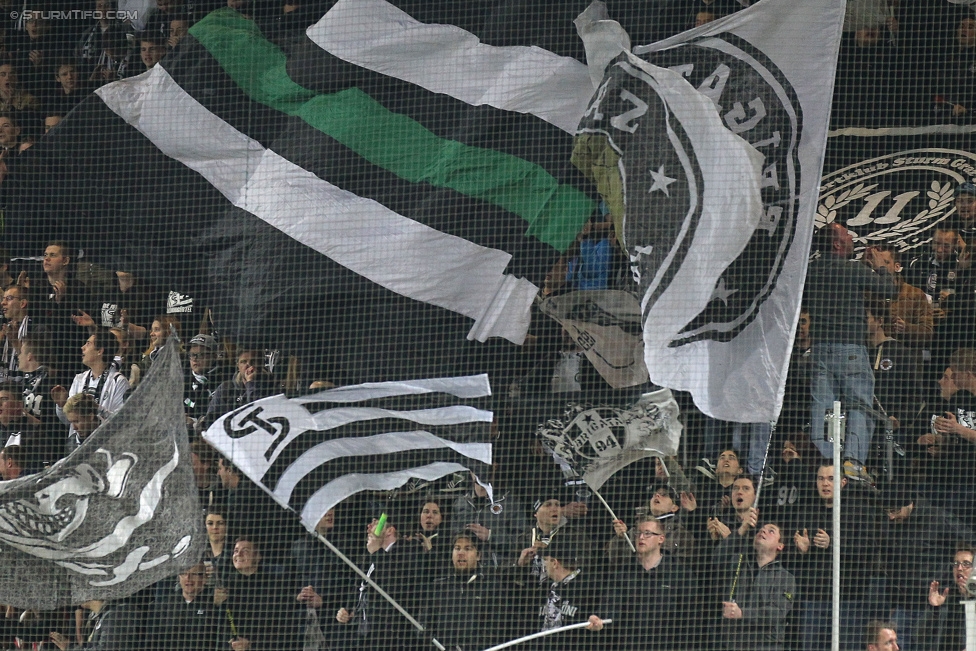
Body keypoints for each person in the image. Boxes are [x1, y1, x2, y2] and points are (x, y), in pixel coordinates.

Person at [806, 223, 897, 483]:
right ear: (836, 244)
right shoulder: (852, 269)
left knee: (823, 407)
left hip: (820, 351)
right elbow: (889, 290)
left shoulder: (811, 271)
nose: (851, 236)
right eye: (846, 234)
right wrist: (880, 265)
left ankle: (825, 464)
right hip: (851, 351)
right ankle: (853, 463)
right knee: (858, 405)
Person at [792, 463, 883, 651]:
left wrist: (832, 544)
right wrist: (802, 550)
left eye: (831, 479)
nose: (825, 484)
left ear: (843, 482)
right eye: (821, 478)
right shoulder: (806, 512)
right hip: (813, 598)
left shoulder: (859, 510)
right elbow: (792, 557)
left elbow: (869, 548)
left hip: (849, 598)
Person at [604, 515, 699, 649]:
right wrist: (599, 621)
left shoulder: (681, 575)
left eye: (647, 533)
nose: (641, 538)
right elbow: (610, 609)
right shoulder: (622, 574)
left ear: (661, 538)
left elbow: (690, 623)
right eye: (638, 533)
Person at [715, 519, 796, 651]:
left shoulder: (786, 578)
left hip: (766, 646)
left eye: (771, 531)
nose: (763, 531)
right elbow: (717, 559)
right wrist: (741, 529)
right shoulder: (738, 562)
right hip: (732, 643)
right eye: (761, 529)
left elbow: (777, 612)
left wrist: (742, 613)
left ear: (780, 545)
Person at [424, 532, 512, 650]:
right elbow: (425, 626)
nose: (461, 553)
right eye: (457, 548)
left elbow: (496, 631)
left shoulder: (492, 587)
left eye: (467, 548)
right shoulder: (438, 586)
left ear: (478, 555)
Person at [52, 327, 128, 450]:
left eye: (88, 344)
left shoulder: (118, 382)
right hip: (76, 449)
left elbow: (120, 423)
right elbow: (68, 422)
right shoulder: (79, 379)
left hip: (105, 448)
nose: (83, 347)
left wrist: (96, 408)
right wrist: (61, 406)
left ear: (100, 351)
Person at [917, 544, 975, 651]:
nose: (959, 568)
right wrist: (933, 609)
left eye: (966, 564)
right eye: (956, 564)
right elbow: (919, 637)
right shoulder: (945, 595)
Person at [151, 561, 219, 650]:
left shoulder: (213, 604)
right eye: (183, 573)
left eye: (194, 574)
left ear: (204, 578)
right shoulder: (164, 606)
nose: (188, 578)